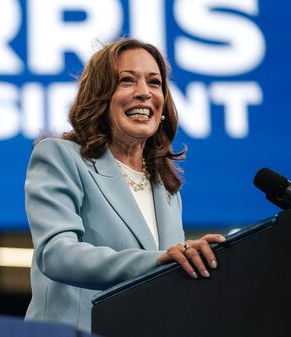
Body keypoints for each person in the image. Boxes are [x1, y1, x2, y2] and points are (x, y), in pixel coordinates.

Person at [23, 38, 226, 334]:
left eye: (155, 83)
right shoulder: (60, 156)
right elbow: (56, 255)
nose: (144, 93)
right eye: (127, 81)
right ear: (100, 96)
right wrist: (159, 260)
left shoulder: (166, 187)